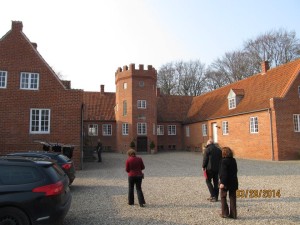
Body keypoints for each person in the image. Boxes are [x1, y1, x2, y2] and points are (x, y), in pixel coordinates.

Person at [219, 147, 238, 219]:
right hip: (234, 181)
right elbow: (236, 170)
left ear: (223, 153)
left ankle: (225, 213)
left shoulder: (223, 161)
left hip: (226, 182)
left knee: (223, 196)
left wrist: (222, 182)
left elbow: (224, 173)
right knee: (232, 198)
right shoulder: (233, 160)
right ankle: (233, 214)